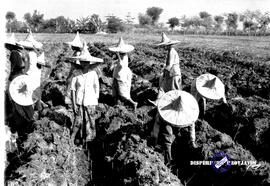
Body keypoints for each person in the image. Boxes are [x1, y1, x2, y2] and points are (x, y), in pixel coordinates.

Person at [149, 32, 183, 146]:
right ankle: (163, 102)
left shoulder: (170, 52)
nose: (164, 47)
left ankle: (171, 108)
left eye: (165, 45)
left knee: (173, 93)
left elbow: (168, 66)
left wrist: (163, 75)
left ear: (168, 45)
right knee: (168, 90)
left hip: (173, 75)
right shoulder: (172, 51)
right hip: (174, 74)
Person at [69, 43, 103, 147]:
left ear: (89, 63)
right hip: (79, 101)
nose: (85, 64)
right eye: (83, 62)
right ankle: (72, 138)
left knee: (91, 122)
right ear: (80, 62)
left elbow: (96, 87)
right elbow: (73, 90)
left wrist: (95, 99)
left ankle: (88, 141)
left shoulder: (93, 74)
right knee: (78, 121)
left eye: (86, 62)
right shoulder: (76, 73)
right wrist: (74, 104)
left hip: (91, 101)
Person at [156, 90, 199, 166]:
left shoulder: (189, 114)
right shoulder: (164, 114)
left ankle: (176, 150)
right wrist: (155, 138)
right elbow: (157, 123)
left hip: (178, 126)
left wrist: (192, 140)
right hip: (166, 123)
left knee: (177, 137)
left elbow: (192, 126)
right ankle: (168, 160)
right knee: (168, 137)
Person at [5, 50, 35, 137]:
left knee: (20, 130)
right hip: (27, 107)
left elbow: (11, 97)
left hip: (17, 109)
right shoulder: (23, 76)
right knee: (27, 128)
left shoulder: (11, 78)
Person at [109, 37, 137, 110]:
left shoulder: (124, 57)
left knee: (123, 94)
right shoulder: (122, 56)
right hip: (116, 76)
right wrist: (113, 64)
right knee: (115, 92)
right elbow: (116, 62)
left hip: (121, 77)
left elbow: (121, 64)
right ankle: (116, 104)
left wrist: (118, 55)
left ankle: (134, 103)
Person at [64, 31, 83, 104]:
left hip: (75, 74)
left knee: (72, 87)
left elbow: (78, 66)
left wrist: (72, 62)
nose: (71, 47)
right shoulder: (76, 53)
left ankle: (71, 102)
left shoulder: (78, 54)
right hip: (74, 73)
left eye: (72, 46)